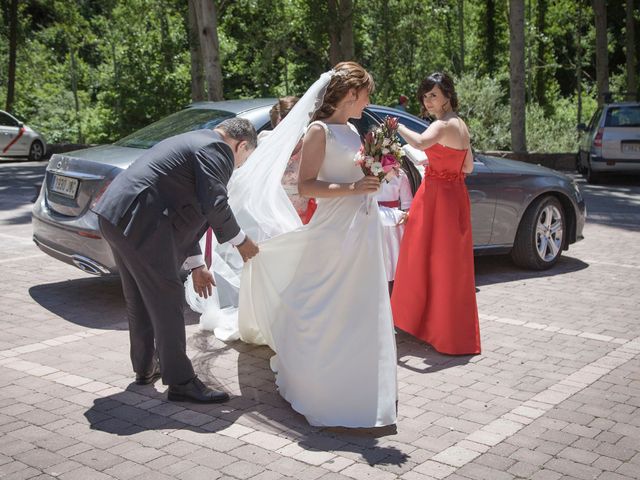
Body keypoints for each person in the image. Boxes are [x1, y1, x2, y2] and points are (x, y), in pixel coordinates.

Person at [236, 62, 397, 427]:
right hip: (333, 227)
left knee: (359, 301)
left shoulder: (355, 130)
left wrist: (378, 175)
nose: (369, 100)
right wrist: (353, 189)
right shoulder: (318, 131)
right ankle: (316, 379)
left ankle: (361, 381)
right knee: (321, 297)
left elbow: (357, 175)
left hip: (363, 228)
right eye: (367, 93)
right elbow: (307, 186)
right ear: (351, 93)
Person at [93, 118, 260, 403]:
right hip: (140, 222)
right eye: (245, 158)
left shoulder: (197, 140)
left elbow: (189, 209)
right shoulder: (217, 150)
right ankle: (181, 382)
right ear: (241, 145)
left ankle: (145, 368)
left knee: (140, 296)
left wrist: (197, 264)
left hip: (118, 215)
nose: (240, 165)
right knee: (167, 298)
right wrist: (241, 241)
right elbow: (215, 204)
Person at [391, 72, 481, 355]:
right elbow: (468, 168)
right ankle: (440, 330)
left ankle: (425, 325)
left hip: (437, 198)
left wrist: (396, 125)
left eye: (434, 95)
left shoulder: (443, 125)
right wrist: (443, 164)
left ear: (447, 97)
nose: (428, 101)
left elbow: (418, 143)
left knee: (427, 260)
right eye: (425, 95)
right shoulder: (460, 125)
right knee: (447, 265)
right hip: (453, 197)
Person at [259, 96, 316, 222]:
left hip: (305, 217)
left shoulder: (311, 145)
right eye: (281, 128)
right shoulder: (265, 144)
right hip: (273, 217)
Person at [376, 168, 413, 292]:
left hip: (394, 225)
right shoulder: (364, 170)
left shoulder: (400, 174)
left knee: (394, 262)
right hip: (371, 221)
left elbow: (408, 205)